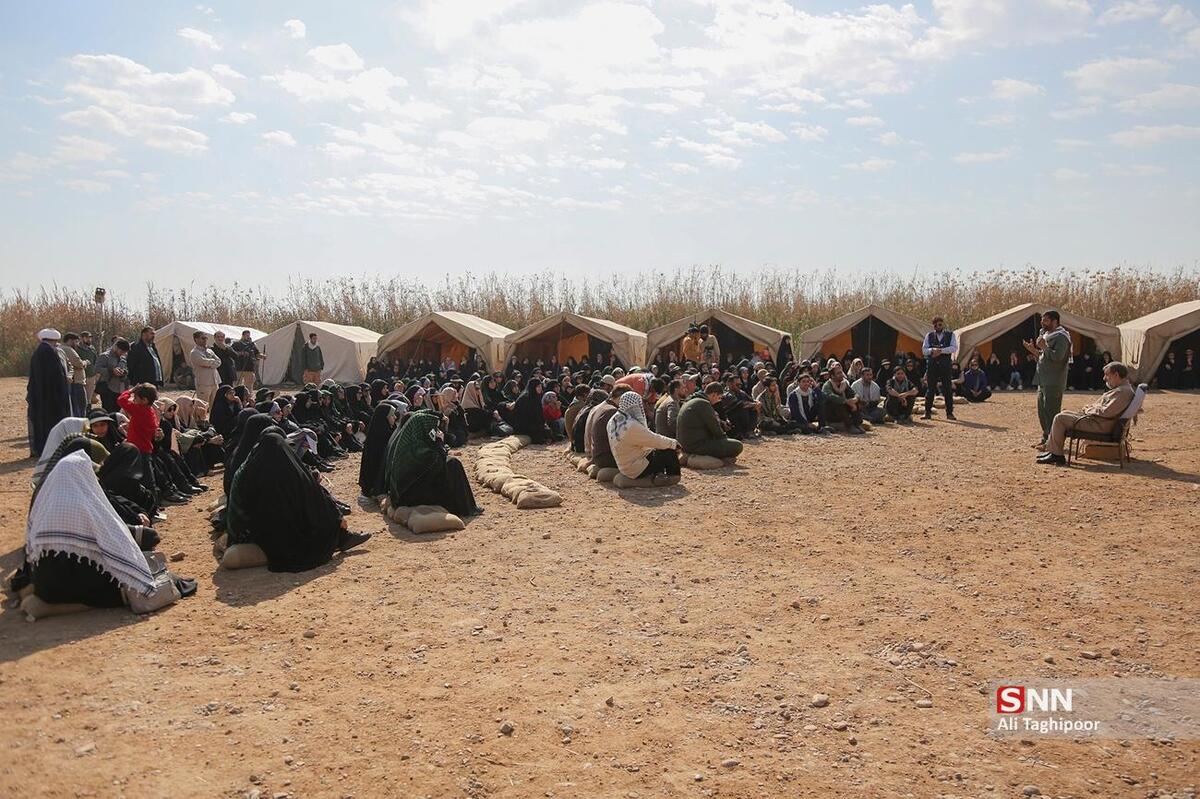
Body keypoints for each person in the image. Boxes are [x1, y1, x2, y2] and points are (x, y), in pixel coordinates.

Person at [23, 449, 163, 608]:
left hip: (44, 585)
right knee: (142, 546)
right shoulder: (80, 503)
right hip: (70, 585)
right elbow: (108, 536)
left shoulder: (48, 499)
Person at [226, 428, 369, 571]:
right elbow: (313, 495)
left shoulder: (251, 469)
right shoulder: (281, 470)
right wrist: (336, 516)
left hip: (253, 529)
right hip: (267, 532)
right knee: (316, 512)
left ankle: (342, 536)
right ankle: (342, 537)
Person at [384, 409, 482, 518]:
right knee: (453, 465)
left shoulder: (410, 441)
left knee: (449, 465)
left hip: (405, 492)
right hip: (409, 496)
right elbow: (437, 459)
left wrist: (439, 415)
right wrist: (440, 441)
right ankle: (466, 508)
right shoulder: (417, 449)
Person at [1039, 362, 1136, 465]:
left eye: (1107, 375)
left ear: (1116, 375)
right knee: (1064, 413)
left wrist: (1088, 409)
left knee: (1060, 418)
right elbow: (1106, 409)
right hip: (1099, 421)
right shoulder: (1122, 389)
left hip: (1100, 425)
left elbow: (1106, 412)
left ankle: (1056, 455)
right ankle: (1053, 452)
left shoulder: (1123, 392)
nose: (1104, 378)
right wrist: (1091, 408)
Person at [607, 391, 681, 482]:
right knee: (668, 450)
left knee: (658, 449)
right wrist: (674, 444)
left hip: (624, 464)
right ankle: (673, 478)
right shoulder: (631, 426)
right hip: (635, 469)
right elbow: (654, 440)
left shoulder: (613, 420)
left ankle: (658, 474)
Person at [1024, 310, 1071, 450]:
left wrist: (1044, 346)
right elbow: (1044, 357)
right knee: (1042, 412)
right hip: (1043, 379)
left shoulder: (1061, 337)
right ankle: (1045, 439)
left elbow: (1058, 357)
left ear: (1055, 321)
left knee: (1051, 412)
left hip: (1054, 380)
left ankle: (1053, 442)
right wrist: (1034, 350)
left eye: (1045, 320)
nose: (1042, 323)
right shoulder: (1045, 335)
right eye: (1042, 320)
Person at [26, 328, 72, 457]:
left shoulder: (38, 351)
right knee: (51, 423)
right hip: (51, 397)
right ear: (53, 340)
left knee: (42, 422)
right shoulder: (49, 353)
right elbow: (57, 377)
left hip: (41, 396)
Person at [676, 382, 744, 460]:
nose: (718, 401)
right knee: (737, 445)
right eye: (719, 398)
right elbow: (716, 429)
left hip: (686, 444)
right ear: (714, 394)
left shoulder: (693, 400)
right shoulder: (704, 404)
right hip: (694, 446)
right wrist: (725, 440)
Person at [359, 401, 400, 497]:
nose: (394, 417)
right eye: (392, 415)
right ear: (384, 418)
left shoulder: (388, 430)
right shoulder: (380, 436)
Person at [921, 316, 957, 420]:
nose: (938, 326)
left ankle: (949, 413)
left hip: (945, 366)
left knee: (947, 389)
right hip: (932, 366)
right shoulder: (929, 335)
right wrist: (933, 350)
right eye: (936, 325)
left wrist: (941, 351)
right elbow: (924, 350)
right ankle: (927, 412)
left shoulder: (950, 335)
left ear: (943, 324)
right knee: (930, 389)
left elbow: (953, 348)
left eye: (940, 324)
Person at [822, 363, 865, 434]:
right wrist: (846, 401)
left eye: (841, 372)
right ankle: (849, 426)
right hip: (831, 413)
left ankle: (856, 424)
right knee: (838, 402)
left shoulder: (844, 384)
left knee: (855, 402)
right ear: (832, 376)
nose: (841, 374)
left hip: (843, 411)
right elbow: (830, 396)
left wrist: (855, 399)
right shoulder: (827, 385)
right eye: (838, 373)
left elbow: (854, 393)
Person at [94, 338, 131, 412]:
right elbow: (97, 368)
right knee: (108, 411)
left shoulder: (123, 358)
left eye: (124, 352)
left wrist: (123, 372)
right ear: (116, 348)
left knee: (117, 411)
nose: (123, 353)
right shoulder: (104, 356)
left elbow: (126, 369)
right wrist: (111, 371)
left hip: (120, 388)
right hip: (107, 388)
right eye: (121, 351)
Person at [188, 331, 221, 407]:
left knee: (215, 406)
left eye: (206, 338)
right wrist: (212, 362)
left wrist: (210, 363)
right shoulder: (194, 352)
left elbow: (219, 361)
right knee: (202, 405)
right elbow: (203, 362)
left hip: (215, 381)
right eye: (203, 338)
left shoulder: (210, 351)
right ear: (196, 339)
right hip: (204, 382)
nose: (205, 340)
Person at [60, 332, 91, 416]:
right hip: (76, 383)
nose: (77, 344)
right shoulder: (68, 349)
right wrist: (86, 362)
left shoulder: (60, 349)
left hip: (71, 383)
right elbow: (79, 363)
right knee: (80, 409)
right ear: (70, 340)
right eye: (76, 341)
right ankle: (81, 428)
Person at [512, 379, 551, 444]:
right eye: (538, 387)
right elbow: (525, 416)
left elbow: (539, 414)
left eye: (540, 386)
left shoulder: (536, 396)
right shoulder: (525, 398)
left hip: (534, 423)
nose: (540, 388)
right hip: (524, 426)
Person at [76, 331, 100, 410]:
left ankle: (88, 412)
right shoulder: (76, 348)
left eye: (90, 337)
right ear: (82, 338)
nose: (89, 339)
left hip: (91, 376)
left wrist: (96, 374)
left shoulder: (92, 348)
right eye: (87, 337)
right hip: (80, 377)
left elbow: (95, 361)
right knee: (81, 398)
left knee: (89, 398)